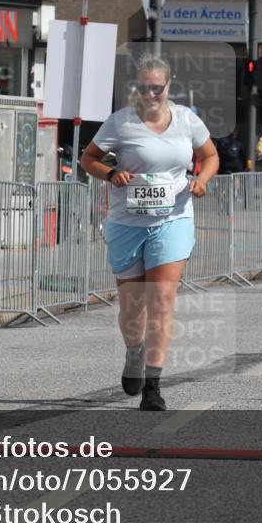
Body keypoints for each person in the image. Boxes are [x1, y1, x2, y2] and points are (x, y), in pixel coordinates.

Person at [78, 55, 219, 411]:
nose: (151, 94)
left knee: (161, 301)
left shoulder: (187, 120)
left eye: (157, 88)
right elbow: (88, 159)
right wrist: (112, 174)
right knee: (132, 309)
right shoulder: (120, 122)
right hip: (127, 223)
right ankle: (134, 352)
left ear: (169, 86)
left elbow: (211, 155)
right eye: (144, 88)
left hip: (173, 218)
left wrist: (202, 180)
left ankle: (153, 387)